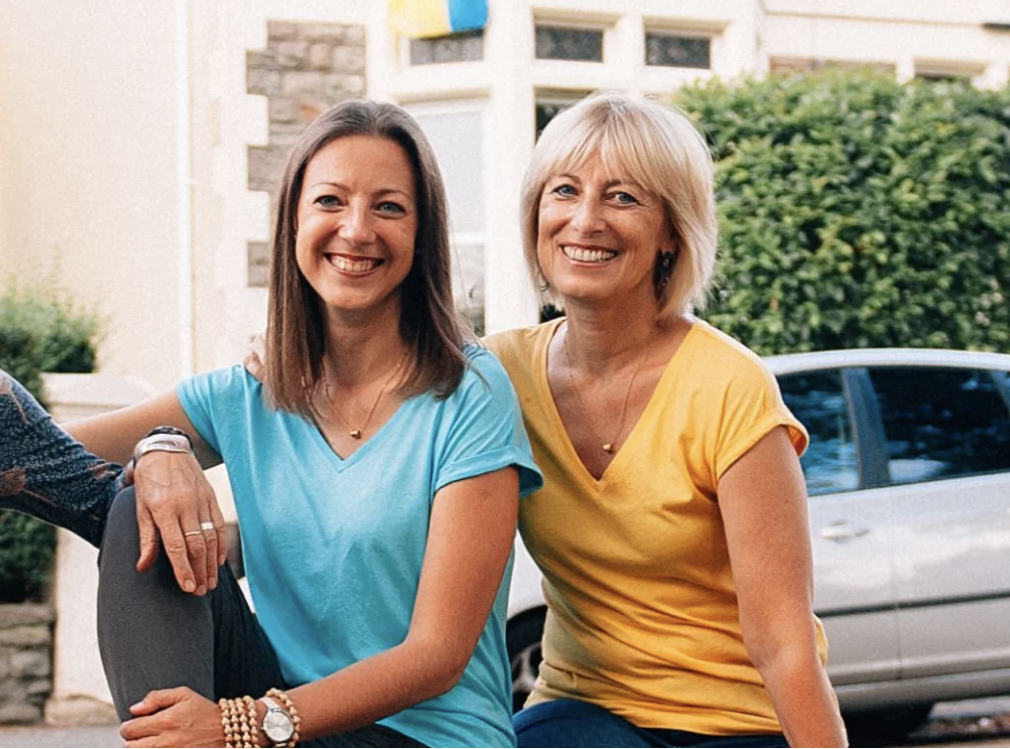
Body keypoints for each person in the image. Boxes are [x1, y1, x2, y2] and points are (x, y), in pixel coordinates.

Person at [63, 99, 542, 748]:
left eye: (389, 206)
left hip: (422, 735)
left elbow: (439, 654)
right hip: (288, 725)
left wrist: (240, 724)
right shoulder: (248, 391)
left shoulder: (470, 391)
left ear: (423, 235)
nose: (356, 229)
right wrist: (159, 446)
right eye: (330, 201)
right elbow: (46, 458)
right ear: (293, 220)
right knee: (131, 511)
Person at [483, 93, 848, 748]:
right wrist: (278, 363)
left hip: (736, 721)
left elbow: (785, 645)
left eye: (622, 197)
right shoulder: (495, 373)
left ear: (671, 231)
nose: (585, 220)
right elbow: (361, 420)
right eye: (564, 190)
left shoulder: (729, 387)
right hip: (583, 710)